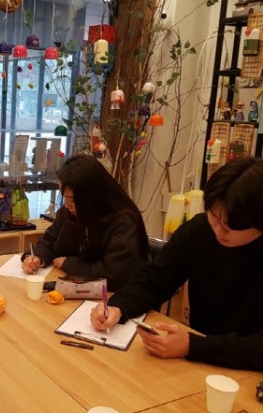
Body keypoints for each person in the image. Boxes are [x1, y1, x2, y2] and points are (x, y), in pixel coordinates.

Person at [91, 157, 263, 371]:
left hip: (246, 370)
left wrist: (194, 346)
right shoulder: (199, 231)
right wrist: (118, 307)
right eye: (214, 217)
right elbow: (155, 279)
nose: (218, 231)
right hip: (197, 361)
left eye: (229, 226)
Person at [21, 154, 149, 291]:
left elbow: (114, 274)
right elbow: (49, 239)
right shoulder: (71, 212)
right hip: (76, 289)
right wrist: (37, 257)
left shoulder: (123, 222)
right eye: (65, 198)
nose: (67, 205)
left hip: (112, 296)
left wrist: (68, 264)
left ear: (92, 195)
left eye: (72, 200)